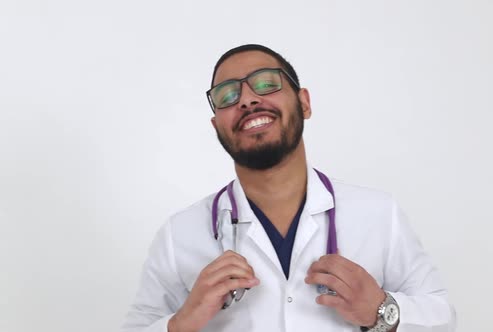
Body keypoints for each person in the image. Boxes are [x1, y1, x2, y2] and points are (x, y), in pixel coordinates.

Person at [122, 44, 456, 332]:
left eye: (266, 83)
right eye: (228, 95)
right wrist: (182, 322)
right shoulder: (179, 235)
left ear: (304, 103)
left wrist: (382, 311)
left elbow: (445, 320)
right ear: (217, 126)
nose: (248, 100)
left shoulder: (379, 214)